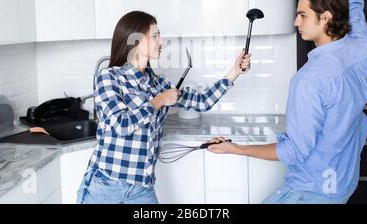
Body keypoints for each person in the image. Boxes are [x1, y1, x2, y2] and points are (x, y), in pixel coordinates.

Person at [207, 0, 367, 204]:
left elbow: (294, 151)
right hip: (343, 183)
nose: (295, 22)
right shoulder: (363, 48)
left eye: (302, 15)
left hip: (309, 191)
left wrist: (235, 148)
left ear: (326, 18)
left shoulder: (309, 79)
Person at [77, 10, 251, 204]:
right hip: (106, 186)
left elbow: (203, 101)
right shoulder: (110, 77)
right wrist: (158, 101)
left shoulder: (159, 84)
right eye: (154, 36)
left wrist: (235, 71)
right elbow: (121, 125)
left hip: (142, 188)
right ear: (134, 40)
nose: (161, 42)